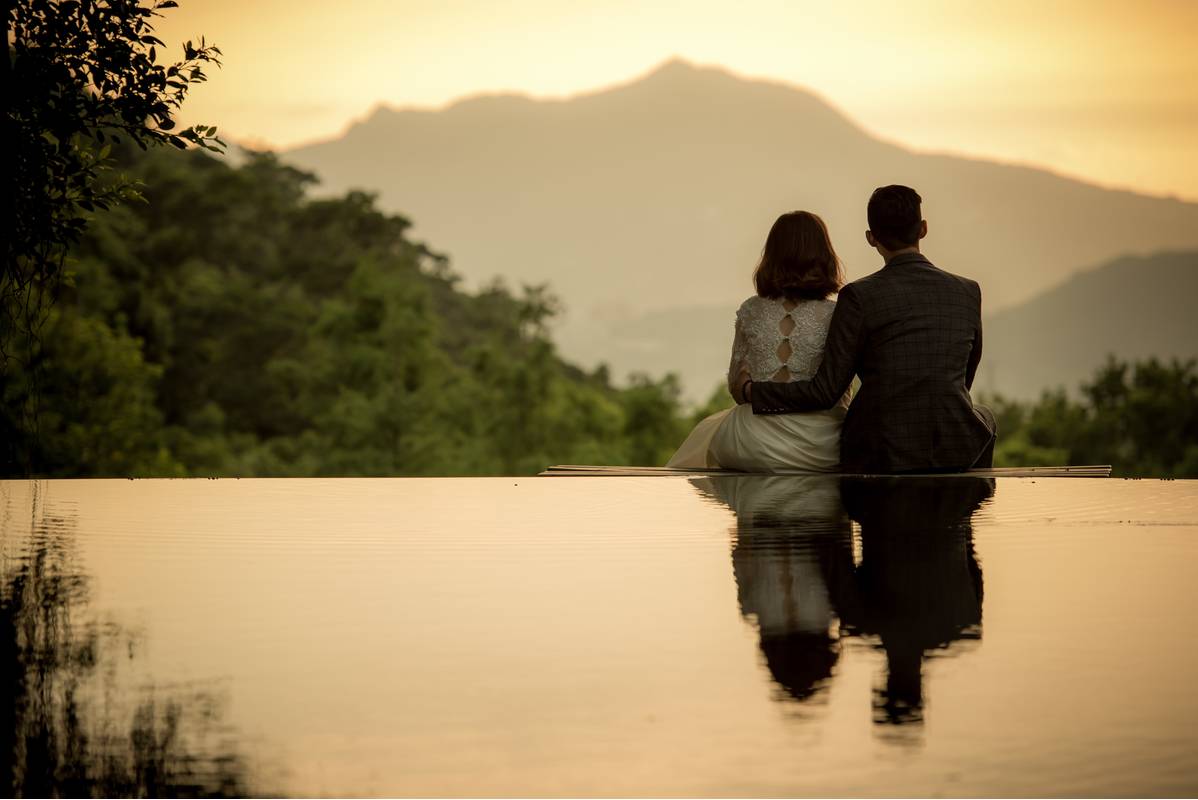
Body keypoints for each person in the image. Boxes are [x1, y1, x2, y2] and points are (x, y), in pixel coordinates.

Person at [745, 185, 996, 473]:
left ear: (871, 237)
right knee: (984, 416)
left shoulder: (859, 296)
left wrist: (753, 391)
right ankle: (968, 506)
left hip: (881, 448)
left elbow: (825, 391)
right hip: (953, 444)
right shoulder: (967, 291)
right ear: (923, 229)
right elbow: (964, 379)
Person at [666, 211, 852, 471]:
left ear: (772, 255)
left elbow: (737, 388)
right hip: (821, 446)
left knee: (706, 438)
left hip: (755, 440)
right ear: (823, 255)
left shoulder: (752, 310)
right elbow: (839, 393)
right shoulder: (838, 314)